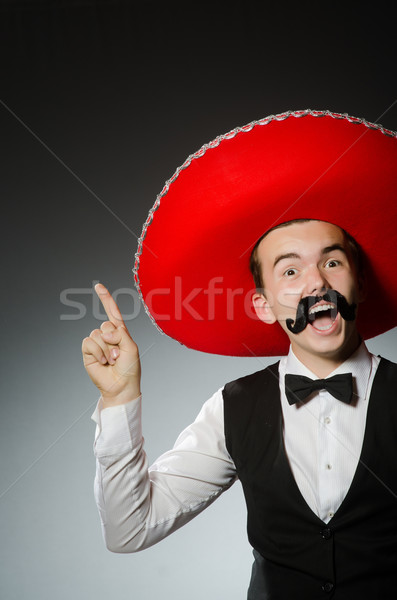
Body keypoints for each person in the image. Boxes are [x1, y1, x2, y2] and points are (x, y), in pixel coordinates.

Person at [82, 110, 397, 599]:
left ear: (358, 284)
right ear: (264, 306)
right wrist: (121, 398)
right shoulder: (234, 408)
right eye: (289, 272)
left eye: (332, 262)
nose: (316, 282)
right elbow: (129, 529)